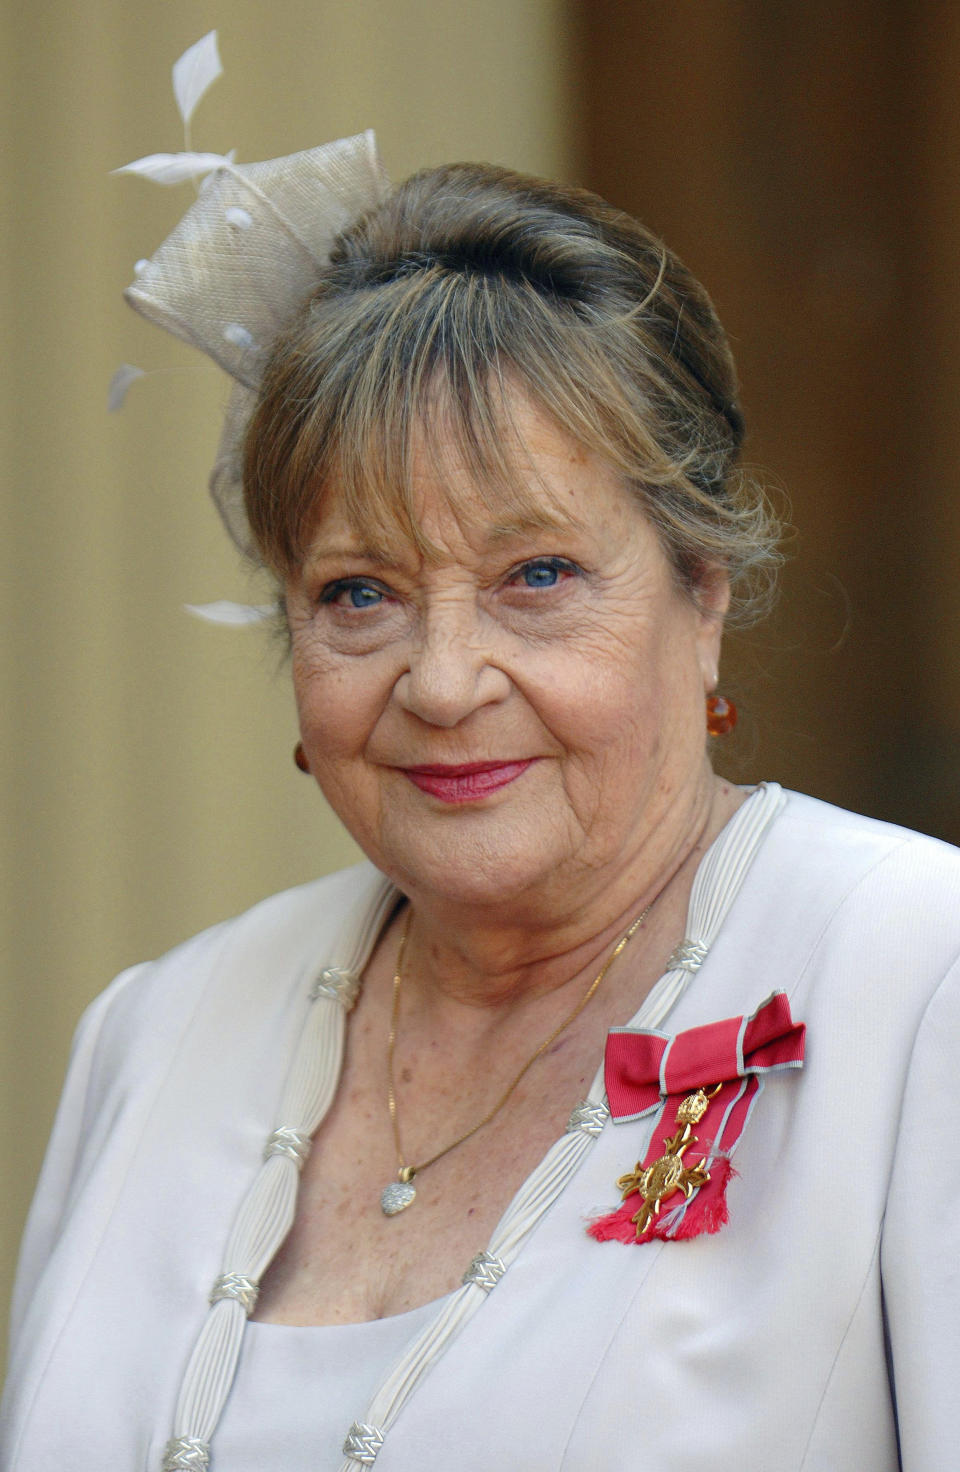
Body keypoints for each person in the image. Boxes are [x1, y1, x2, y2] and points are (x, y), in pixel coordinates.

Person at [2, 122, 958, 1472]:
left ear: (704, 597)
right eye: (360, 593)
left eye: (539, 576)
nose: (443, 682)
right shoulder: (156, 1034)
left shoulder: (919, 983)